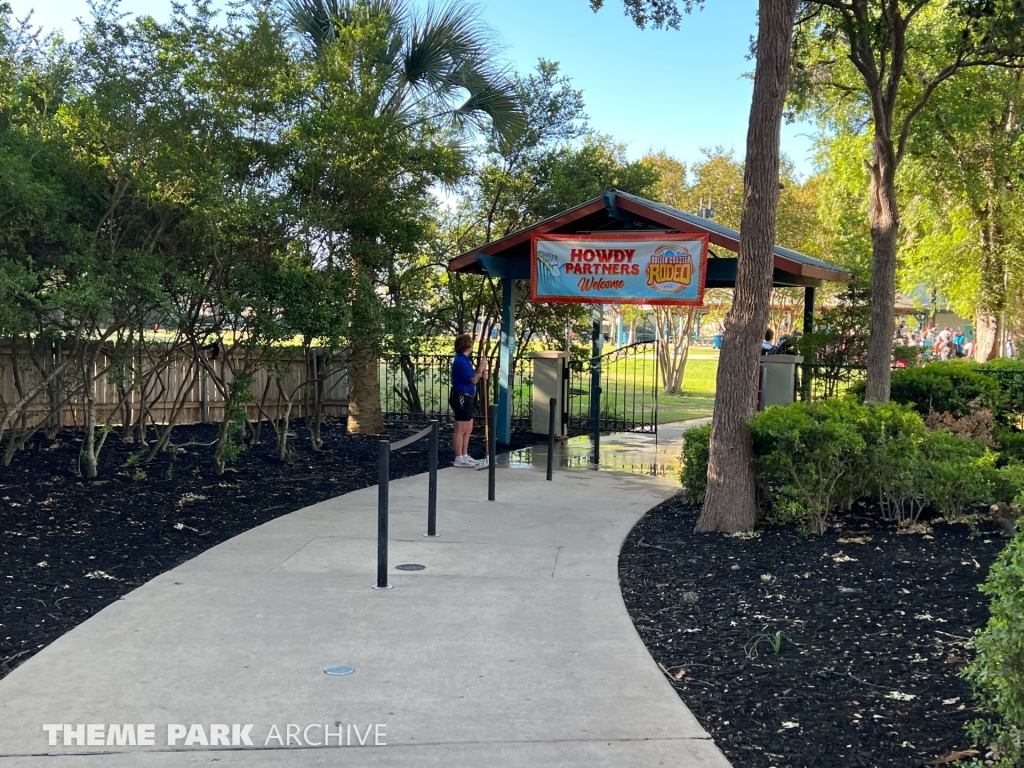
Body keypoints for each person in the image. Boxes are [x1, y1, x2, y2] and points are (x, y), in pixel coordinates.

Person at [449, 334, 487, 468]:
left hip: (468, 396)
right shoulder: (460, 361)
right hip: (461, 396)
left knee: (468, 428)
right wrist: (481, 368)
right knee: (461, 428)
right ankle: (458, 457)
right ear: (466, 345)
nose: (472, 345)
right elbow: (473, 379)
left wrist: (481, 373)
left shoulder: (466, 360)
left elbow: (474, 376)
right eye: (470, 343)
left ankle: (464, 455)